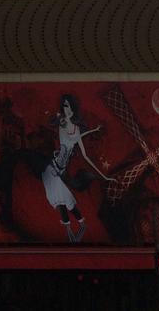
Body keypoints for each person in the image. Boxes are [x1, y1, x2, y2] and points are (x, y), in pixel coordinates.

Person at [42, 94, 111, 242]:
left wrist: (103, 176)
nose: (66, 108)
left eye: (68, 105)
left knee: (65, 200)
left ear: (73, 107)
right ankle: (72, 232)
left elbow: (85, 156)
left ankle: (79, 227)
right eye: (64, 105)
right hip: (53, 169)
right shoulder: (63, 124)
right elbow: (70, 137)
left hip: (59, 171)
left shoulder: (77, 129)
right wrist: (92, 131)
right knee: (62, 200)